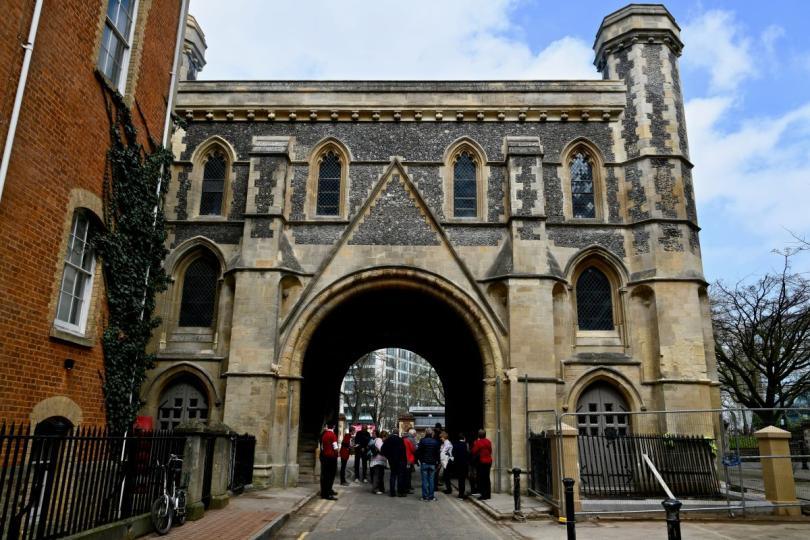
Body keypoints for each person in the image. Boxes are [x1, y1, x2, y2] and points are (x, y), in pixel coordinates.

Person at [416, 427, 441, 501]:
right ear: (431, 433)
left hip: (424, 463)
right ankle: (431, 496)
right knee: (431, 480)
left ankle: (425, 497)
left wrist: (420, 460)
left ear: (425, 433)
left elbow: (418, 452)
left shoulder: (422, 441)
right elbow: (437, 453)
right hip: (432, 463)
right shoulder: (435, 442)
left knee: (424, 480)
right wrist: (438, 462)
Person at [381, 429, 407, 497]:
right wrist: (405, 461)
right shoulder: (400, 440)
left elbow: (383, 449)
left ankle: (392, 492)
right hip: (400, 460)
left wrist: (388, 457)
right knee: (400, 476)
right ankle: (400, 492)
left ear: (392, 433)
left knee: (393, 475)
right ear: (398, 433)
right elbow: (403, 451)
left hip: (392, 461)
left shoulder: (388, 439)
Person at [471, 428, 493, 500]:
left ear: (479, 435)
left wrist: (475, 442)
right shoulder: (489, 442)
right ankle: (488, 494)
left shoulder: (478, 442)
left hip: (482, 462)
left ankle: (483, 495)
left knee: (481, 479)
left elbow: (474, 451)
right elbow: (490, 451)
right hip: (488, 461)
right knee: (487, 478)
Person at [319, 423, 339, 500]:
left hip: (324, 456)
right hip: (331, 457)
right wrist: (337, 453)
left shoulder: (324, 434)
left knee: (324, 475)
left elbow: (322, 447)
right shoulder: (332, 435)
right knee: (330, 476)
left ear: (327, 426)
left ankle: (325, 492)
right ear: (333, 427)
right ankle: (327, 493)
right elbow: (335, 447)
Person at [452, 434, 471, 499]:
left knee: (460, 480)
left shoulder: (455, 445)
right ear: (464, 438)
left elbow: (453, 454)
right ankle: (462, 494)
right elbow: (468, 454)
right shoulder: (466, 445)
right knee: (463, 479)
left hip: (458, 464)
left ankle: (460, 494)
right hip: (464, 465)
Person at [369, 430, 387, 494]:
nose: (386, 438)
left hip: (380, 461)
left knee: (381, 475)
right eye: (385, 437)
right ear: (383, 436)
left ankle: (381, 488)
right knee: (377, 475)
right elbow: (381, 449)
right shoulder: (379, 440)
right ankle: (375, 489)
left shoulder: (381, 440)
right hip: (377, 460)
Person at [403, 428, 417, 493]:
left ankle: (407, 486)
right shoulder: (411, 440)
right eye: (415, 434)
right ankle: (407, 487)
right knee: (408, 474)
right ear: (413, 434)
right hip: (409, 458)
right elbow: (414, 449)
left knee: (406, 474)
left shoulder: (403, 439)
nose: (416, 435)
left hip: (404, 458)